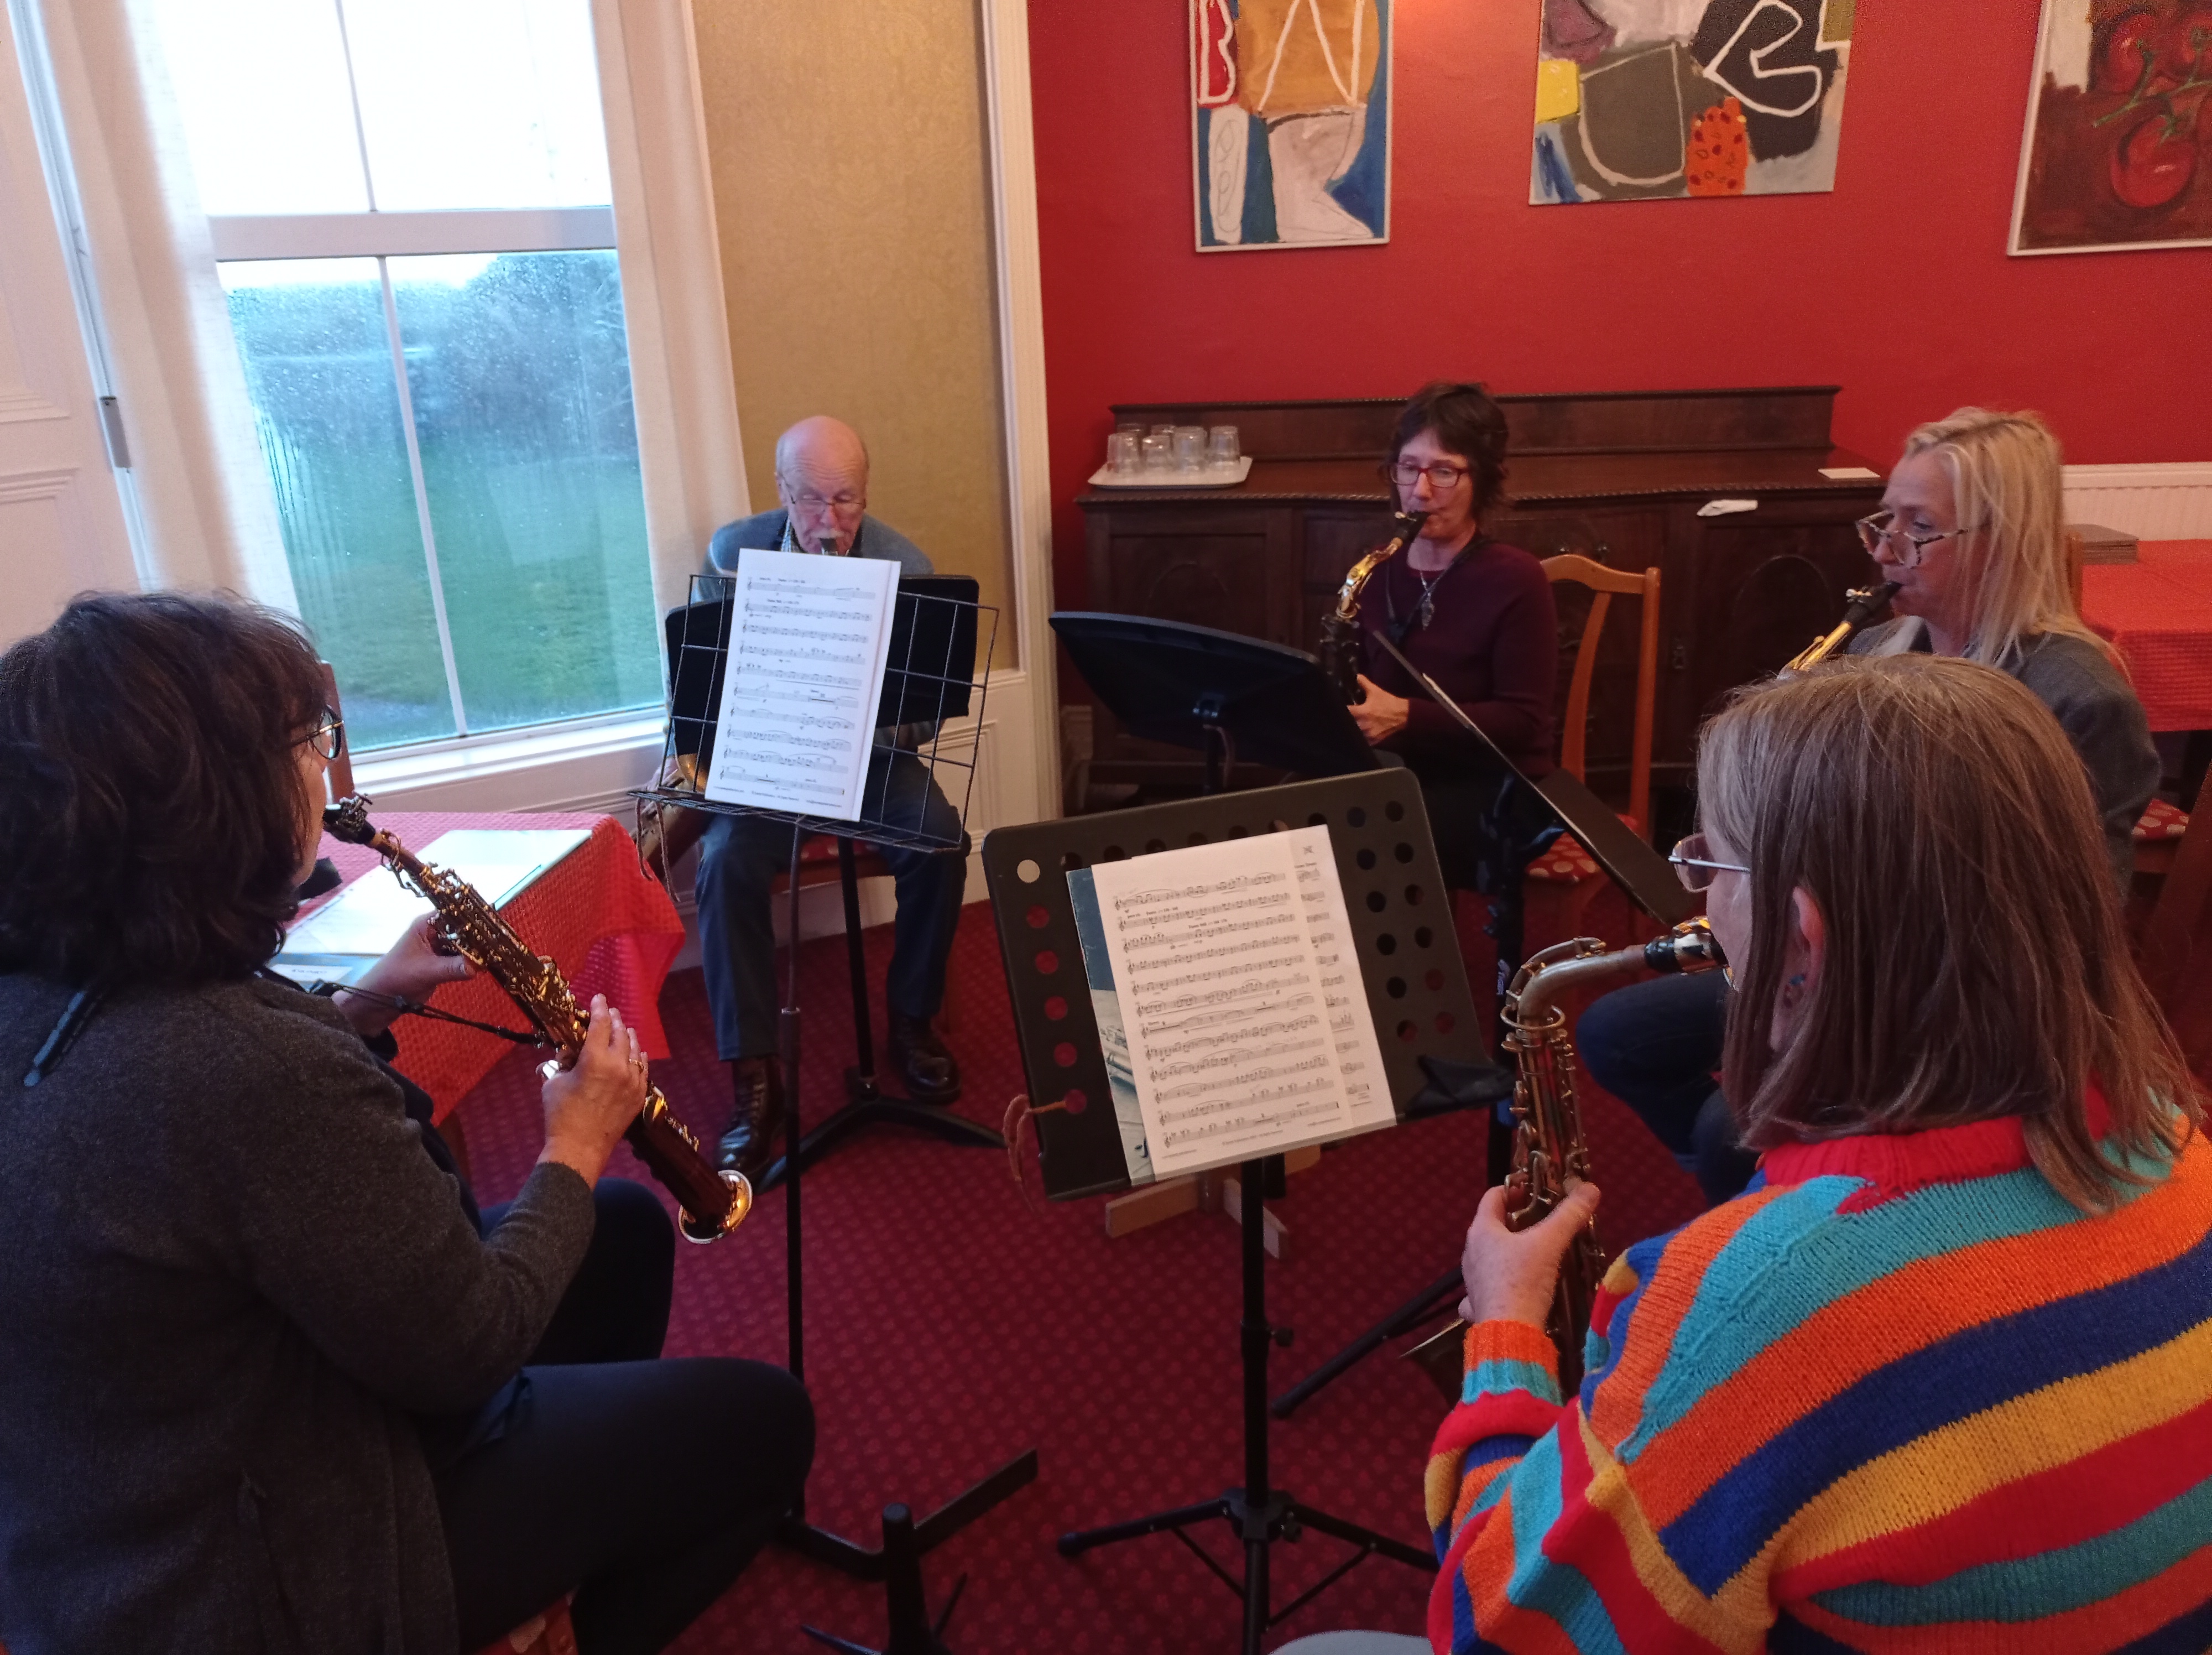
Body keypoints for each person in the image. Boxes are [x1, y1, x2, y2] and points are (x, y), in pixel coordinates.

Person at [1289, 653, 2210, 1654]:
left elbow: (1494, 1627)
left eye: (1711, 867)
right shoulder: (2178, 1142)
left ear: (1803, 936)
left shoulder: (1758, 1307)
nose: (1697, 904)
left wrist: (1507, 1330)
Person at [0, 592, 813, 1655]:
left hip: (136, 1482)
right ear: (215, 807)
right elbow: (468, 1345)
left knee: (618, 1230)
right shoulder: (251, 1071)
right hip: (259, 1575)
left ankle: (539, 1532)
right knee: (768, 1424)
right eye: (307, 741)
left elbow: (186, 1139)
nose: (323, 765)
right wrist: (575, 1140)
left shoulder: (59, 985)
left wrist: (358, 1008)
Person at [1579, 407, 2162, 1206]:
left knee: (1729, 1127)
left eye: (1918, 528)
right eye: (1885, 520)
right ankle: (1783, 1196)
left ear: (2002, 541)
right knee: (1616, 1036)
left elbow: (2073, 927)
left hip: (1955, 1002)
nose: (1884, 549)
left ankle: (1811, 1211)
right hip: (1833, 960)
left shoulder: (2079, 698)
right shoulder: (1872, 652)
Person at [691, 415, 969, 1178]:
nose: (828, 520)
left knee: (940, 840)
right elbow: (710, 684)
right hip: (774, 759)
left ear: (865, 493)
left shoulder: (907, 566)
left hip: (873, 758)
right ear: (781, 491)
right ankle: (754, 1074)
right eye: (811, 499)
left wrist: (849, 723)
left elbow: (924, 713)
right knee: (724, 863)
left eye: (845, 499)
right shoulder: (731, 554)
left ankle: (912, 1020)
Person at [1347, 381, 1559, 989]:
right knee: (1294, 804)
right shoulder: (1377, 569)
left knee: (1364, 825)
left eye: (1444, 471)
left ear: (1481, 477)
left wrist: (1408, 716)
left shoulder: (1515, 578)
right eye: (1407, 468)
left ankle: (1396, 989)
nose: (1420, 491)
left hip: (1495, 783)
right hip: (1402, 769)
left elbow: (1525, 721)